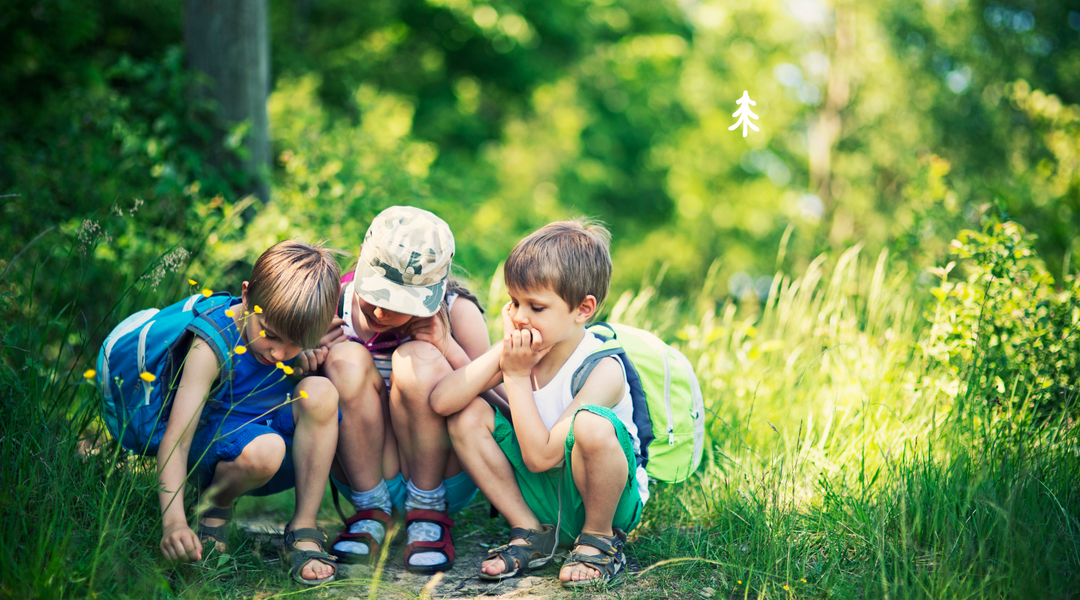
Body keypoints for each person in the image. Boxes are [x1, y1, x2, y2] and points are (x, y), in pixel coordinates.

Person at [431, 218, 649, 587]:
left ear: (583, 309)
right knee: (466, 414)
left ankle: (598, 542)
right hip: (540, 496)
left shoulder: (603, 368)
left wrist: (514, 376)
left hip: (601, 500)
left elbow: (542, 456)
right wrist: (499, 356)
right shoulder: (520, 349)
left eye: (536, 306)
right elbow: (442, 402)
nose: (519, 316)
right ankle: (530, 531)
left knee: (591, 424)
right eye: (514, 302)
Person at [310, 206, 500, 573]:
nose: (381, 313)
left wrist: (448, 349)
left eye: (399, 304)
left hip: (443, 478)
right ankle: (371, 510)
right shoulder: (332, 303)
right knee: (344, 358)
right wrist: (310, 355)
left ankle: (428, 512)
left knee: (418, 359)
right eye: (376, 295)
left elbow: (497, 405)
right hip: (362, 471)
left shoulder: (458, 312)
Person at [156, 239, 342, 585]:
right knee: (267, 448)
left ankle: (303, 526)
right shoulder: (213, 342)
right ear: (246, 295)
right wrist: (173, 523)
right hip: (212, 453)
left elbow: (292, 365)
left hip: (270, 441)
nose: (277, 353)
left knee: (321, 391)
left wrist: (305, 363)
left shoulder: (290, 336)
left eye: (294, 343)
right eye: (269, 335)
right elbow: (176, 441)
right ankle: (214, 505)